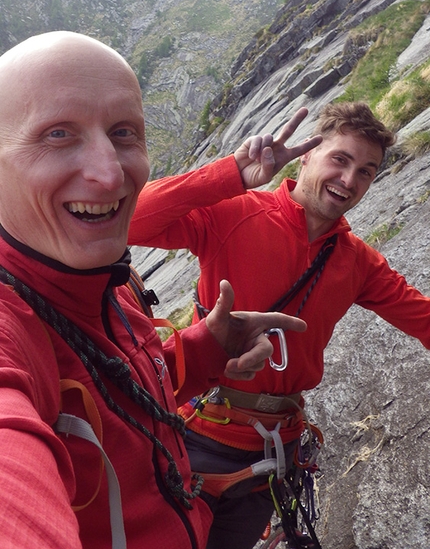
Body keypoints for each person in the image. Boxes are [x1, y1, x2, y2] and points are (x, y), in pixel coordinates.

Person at [0, 31, 309, 549]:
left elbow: (118, 385)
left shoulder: (107, 281)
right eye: (56, 135)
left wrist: (206, 347)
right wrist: (232, 172)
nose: (109, 172)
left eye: (124, 133)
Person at [128, 101, 430, 549]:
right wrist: (230, 172)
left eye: (366, 171)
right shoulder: (234, 212)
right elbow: (131, 219)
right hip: (198, 436)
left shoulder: (358, 262)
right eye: (340, 159)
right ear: (306, 154)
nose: (349, 180)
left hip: (274, 450)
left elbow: (422, 317)